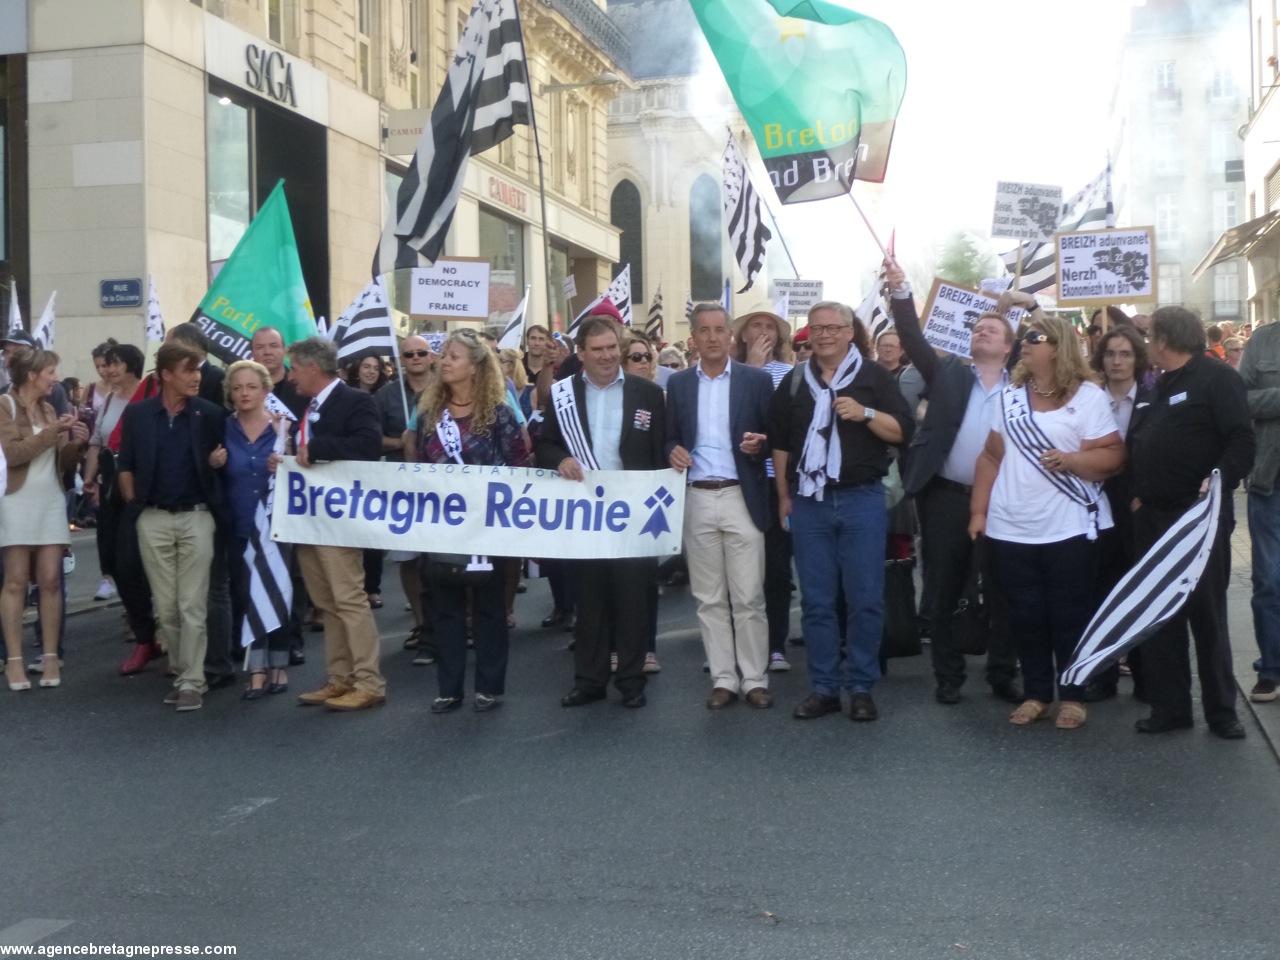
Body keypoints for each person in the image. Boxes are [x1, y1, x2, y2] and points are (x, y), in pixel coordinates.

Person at [969, 314, 1125, 729]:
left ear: (1057, 347)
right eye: (1024, 336)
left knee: (1070, 613)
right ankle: (1037, 692)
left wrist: (1072, 460)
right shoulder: (1010, 397)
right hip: (1011, 526)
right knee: (1025, 614)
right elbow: (990, 457)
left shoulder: (1088, 397)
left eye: (1034, 337)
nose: (1025, 342)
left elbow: (1113, 455)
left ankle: (1072, 695)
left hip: (1069, 524)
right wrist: (979, 511)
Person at [769, 299, 913, 722]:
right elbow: (781, 444)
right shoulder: (795, 379)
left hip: (861, 499)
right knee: (817, 602)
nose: (824, 335)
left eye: (833, 328)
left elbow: (903, 431)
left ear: (850, 333)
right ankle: (825, 688)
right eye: (817, 328)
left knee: (865, 598)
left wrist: (865, 413)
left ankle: (861, 686)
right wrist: (783, 496)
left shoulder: (874, 376)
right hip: (809, 501)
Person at [887, 259, 1023, 706]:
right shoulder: (948, 373)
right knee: (943, 588)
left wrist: (1025, 303)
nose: (981, 332)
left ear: (1009, 347)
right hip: (946, 499)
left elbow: (1054, 341)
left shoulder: (1023, 386)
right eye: (977, 328)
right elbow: (911, 337)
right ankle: (948, 675)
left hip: (1004, 502)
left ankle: (1002, 672)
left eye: (992, 329)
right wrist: (901, 289)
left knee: (1003, 589)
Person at [1128, 306, 1255, 738]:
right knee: (1159, 612)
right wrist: (1139, 493)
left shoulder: (1217, 379)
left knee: (1207, 614)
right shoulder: (1157, 383)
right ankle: (1171, 708)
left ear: (1165, 339)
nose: (1148, 344)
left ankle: (1222, 712)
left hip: (1199, 516)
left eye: (1151, 337)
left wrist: (1218, 478)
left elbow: (1241, 438)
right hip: (1154, 517)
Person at [537, 315, 667, 709]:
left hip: (632, 512)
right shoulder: (562, 395)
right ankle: (589, 680)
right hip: (586, 513)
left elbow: (662, 448)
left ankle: (631, 681)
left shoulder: (648, 393)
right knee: (589, 600)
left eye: (612, 348)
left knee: (632, 600)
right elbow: (544, 444)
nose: (607, 356)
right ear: (581, 353)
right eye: (598, 350)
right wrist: (560, 459)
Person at [411, 330, 531, 713]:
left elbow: (519, 465)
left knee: (489, 608)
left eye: (454, 356)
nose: (444, 362)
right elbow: (421, 467)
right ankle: (449, 688)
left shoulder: (499, 414)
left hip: (487, 528)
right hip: (443, 527)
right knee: (445, 609)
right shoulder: (430, 415)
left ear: (476, 367)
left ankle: (488, 686)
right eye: (444, 355)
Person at [666, 304, 775, 709]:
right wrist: (672, 449)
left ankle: (755, 679)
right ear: (693, 337)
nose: (712, 337)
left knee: (748, 596)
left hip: (740, 495)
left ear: (730, 335)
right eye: (704, 330)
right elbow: (668, 437)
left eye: (719, 329)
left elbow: (774, 435)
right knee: (709, 598)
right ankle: (724, 678)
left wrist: (759, 444)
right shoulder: (679, 384)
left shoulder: (756, 380)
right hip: (697, 495)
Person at [116, 341, 228, 712]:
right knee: (166, 609)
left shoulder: (209, 414)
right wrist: (133, 500)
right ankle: (182, 673)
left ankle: (192, 682)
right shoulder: (138, 415)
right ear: (166, 375)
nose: (196, 377)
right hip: (153, 517)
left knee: (191, 604)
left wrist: (217, 463)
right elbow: (126, 463)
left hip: (197, 516)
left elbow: (228, 461)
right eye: (188, 370)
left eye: (198, 370)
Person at [284, 337, 387, 711]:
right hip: (308, 517)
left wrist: (317, 449)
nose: (291, 377)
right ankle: (340, 677)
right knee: (326, 601)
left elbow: (368, 446)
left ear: (313, 367)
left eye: (295, 369)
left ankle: (369, 681)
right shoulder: (306, 404)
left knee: (348, 598)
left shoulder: (356, 401)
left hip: (339, 517)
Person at [1, 348, 88, 692]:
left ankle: (51, 656)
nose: (56, 378)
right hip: (15, 499)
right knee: (15, 582)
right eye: (51, 372)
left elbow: (62, 463)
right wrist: (50, 433)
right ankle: (14, 660)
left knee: (51, 580)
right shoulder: (4, 405)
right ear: (32, 374)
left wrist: (77, 445)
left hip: (50, 497)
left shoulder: (49, 409)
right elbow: (13, 453)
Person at [210, 360, 291, 700]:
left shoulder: (283, 428)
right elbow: (209, 471)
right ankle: (256, 669)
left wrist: (286, 459)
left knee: (277, 592)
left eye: (251, 387)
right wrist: (213, 463)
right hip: (238, 524)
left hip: (277, 525)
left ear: (265, 390)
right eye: (237, 388)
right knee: (246, 595)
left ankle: (279, 664)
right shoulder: (222, 428)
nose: (244, 393)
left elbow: (304, 470)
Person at [1085, 325, 1155, 701]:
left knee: (1139, 589)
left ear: (1137, 358)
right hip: (1096, 502)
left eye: (1125, 353)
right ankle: (1103, 674)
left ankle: (1146, 675)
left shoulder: (1153, 398)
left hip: (1139, 504)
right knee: (1100, 588)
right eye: (1110, 353)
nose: (1117, 361)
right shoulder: (1087, 399)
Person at [734, 308, 795, 671]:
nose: (762, 331)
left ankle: (775, 644)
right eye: (755, 325)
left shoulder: (789, 374)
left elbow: (783, 426)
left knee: (776, 567)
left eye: (769, 326)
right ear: (743, 335)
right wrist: (752, 370)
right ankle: (736, 645)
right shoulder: (729, 373)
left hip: (775, 479)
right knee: (738, 568)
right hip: (740, 479)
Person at [377, 335, 437, 655]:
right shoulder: (386, 396)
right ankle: (421, 621)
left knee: (442, 557)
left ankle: (452, 621)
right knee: (409, 558)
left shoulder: (446, 388)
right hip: (401, 485)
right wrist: (400, 443)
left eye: (421, 352)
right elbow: (372, 437)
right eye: (409, 353)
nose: (415, 358)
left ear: (431, 357)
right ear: (401, 359)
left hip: (442, 486)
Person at [1236, 319, 1280, 703]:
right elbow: (1241, 399)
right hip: (1270, 480)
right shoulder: (1263, 341)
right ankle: (1271, 669)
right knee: (1268, 579)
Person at [83, 344, 144, 606]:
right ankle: (131, 605)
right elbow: (97, 442)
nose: (110, 370)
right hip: (110, 485)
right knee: (112, 549)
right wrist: (89, 479)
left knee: (134, 552)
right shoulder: (109, 400)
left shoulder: (148, 395)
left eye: (116, 363)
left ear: (133, 365)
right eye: (107, 364)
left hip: (138, 484)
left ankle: (140, 611)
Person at [346, 352, 388, 608]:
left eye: (375, 367)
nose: (371, 371)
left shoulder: (385, 396)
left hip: (377, 470)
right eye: (366, 366)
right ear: (357, 369)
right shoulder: (344, 396)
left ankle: (372, 587)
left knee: (372, 530)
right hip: (349, 471)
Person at [250, 326, 306, 418]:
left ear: (284, 350)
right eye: (260, 347)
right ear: (252, 353)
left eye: (273, 346)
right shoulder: (243, 390)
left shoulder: (302, 388)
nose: (267, 352)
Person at [166, 322, 226, 407]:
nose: (169, 352)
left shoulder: (218, 377)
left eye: (171, 345)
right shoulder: (170, 374)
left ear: (188, 344)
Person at [874, 330, 926, 414]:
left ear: (901, 351)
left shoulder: (907, 377)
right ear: (877, 348)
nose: (888, 349)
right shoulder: (866, 370)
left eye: (892, 346)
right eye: (884, 346)